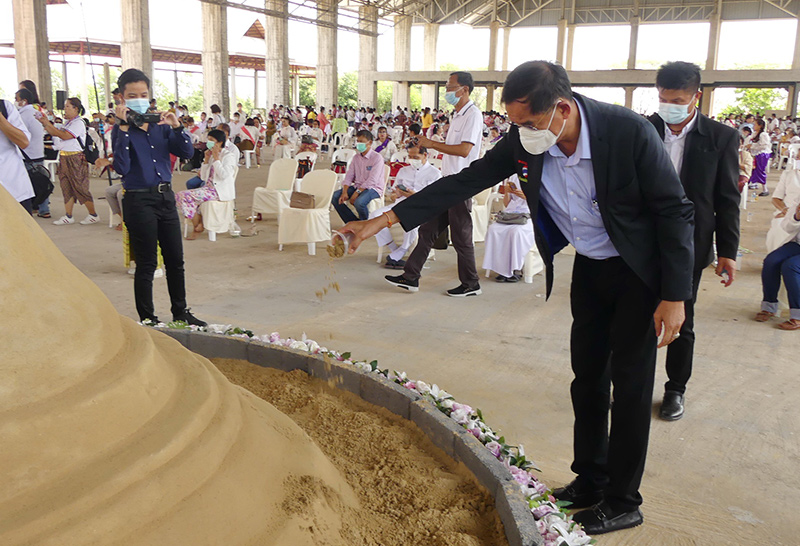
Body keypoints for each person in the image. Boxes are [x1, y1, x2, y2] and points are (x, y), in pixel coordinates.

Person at [339, 61, 694, 535]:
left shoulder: (627, 132)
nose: (520, 133)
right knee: (587, 377)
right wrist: (380, 222)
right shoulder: (529, 139)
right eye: (514, 123)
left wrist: (675, 295)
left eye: (528, 122)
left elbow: (674, 211)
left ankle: (624, 500)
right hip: (590, 267)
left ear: (562, 109)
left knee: (629, 387)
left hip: (639, 272)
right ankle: (590, 479)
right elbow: (462, 181)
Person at [647, 61, 740, 421]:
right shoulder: (644, 129)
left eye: (678, 99)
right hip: (643, 239)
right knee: (632, 317)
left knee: (680, 320)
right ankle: (631, 384)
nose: (669, 105)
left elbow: (726, 200)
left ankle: (675, 389)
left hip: (690, 243)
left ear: (696, 97)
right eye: (663, 98)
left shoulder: (720, 138)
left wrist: (727, 251)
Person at [111, 68, 205, 327]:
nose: (139, 98)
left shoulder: (160, 126)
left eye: (143, 94)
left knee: (175, 259)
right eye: (132, 95)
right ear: (122, 97)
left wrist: (177, 128)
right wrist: (124, 128)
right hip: (138, 200)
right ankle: (148, 318)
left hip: (165, 198)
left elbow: (186, 152)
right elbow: (121, 167)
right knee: (147, 262)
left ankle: (181, 312)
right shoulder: (120, 130)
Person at [385, 71, 485, 298]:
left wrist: (432, 143)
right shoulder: (457, 115)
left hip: (461, 183)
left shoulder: (473, 115)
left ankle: (471, 283)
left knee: (461, 236)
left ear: (465, 90)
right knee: (428, 230)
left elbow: (465, 150)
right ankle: (410, 276)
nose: (447, 92)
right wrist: (431, 145)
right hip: (448, 182)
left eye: (451, 87)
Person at [369, 143, 441, 269]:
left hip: (420, 208)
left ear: (425, 155)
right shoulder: (403, 171)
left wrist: (414, 195)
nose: (412, 160)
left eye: (416, 157)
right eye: (410, 156)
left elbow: (433, 199)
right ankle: (393, 248)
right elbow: (392, 193)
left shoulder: (435, 174)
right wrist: (395, 194)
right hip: (400, 205)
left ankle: (403, 249)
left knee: (411, 219)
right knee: (374, 216)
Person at [38, 97, 100, 225]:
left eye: (67, 106)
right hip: (64, 157)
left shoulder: (78, 123)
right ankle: (68, 215)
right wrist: (46, 123)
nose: (65, 109)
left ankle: (93, 214)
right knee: (66, 186)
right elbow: (55, 133)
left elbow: (64, 136)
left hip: (75, 158)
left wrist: (48, 124)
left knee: (80, 187)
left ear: (75, 109)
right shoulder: (68, 123)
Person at [176, 129, 237, 240]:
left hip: (218, 191)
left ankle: (198, 226)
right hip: (208, 188)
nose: (209, 142)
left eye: (211, 140)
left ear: (219, 143)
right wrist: (207, 160)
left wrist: (217, 159)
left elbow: (224, 175)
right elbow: (203, 177)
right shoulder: (211, 155)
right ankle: (198, 223)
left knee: (182, 195)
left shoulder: (228, 156)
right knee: (181, 196)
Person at [482, 176, 536, 282]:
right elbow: (507, 203)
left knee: (516, 232)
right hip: (511, 214)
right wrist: (507, 192)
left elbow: (541, 200)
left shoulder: (538, 175)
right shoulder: (513, 176)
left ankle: (516, 269)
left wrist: (525, 196)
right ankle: (500, 268)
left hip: (529, 215)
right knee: (494, 229)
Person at [331, 129, 385, 223]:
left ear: (370, 142)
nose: (359, 144)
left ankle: (364, 224)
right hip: (358, 186)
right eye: (358, 141)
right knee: (335, 197)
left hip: (373, 188)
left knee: (359, 203)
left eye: (362, 142)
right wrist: (345, 191)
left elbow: (372, 180)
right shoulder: (356, 158)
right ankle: (353, 222)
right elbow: (349, 176)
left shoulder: (377, 158)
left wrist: (357, 192)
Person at [15, 88, 48, 217]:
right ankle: (44, 209)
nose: (15, 102)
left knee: (26, 184)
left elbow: (18, 134)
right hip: (38, 151)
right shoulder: (37, 113)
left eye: (17, 99)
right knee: (42, 181)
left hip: (27, 154)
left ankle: (29, 208)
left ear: (24, 101)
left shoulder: (23, 115)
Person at [0, 95, 34, 212]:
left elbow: (23, 142)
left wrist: (1, 119)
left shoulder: (5, 107)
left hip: (14, 188)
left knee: (22, 230)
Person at [746, 118, 771, 196]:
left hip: (762, 154)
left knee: (760, 170)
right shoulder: (755, 134)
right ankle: (750, 184)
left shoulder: (763, 134)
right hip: (755, 154)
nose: (753, 126)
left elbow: (764, 146)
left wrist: (752, 146)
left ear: (760, 126)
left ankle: (765, 189)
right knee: (752, 170)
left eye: (755, 124)